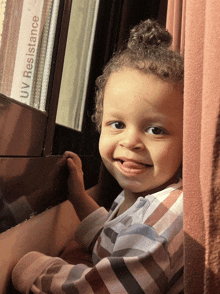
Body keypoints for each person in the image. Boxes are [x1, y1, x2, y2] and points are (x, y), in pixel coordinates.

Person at [12, 19, 184, 294]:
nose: (130, 142)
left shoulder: (165, 217)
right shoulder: (138, 198)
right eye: (117, 124)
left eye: (155, 130)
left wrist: (31, 267)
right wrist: (78, 197)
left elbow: (103, 288)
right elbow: (111, 237)